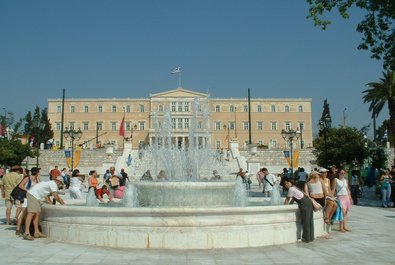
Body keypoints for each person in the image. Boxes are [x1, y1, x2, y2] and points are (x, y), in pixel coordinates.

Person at [24, 176, 65, 240]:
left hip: (36, 196)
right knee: (31, 213)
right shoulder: (53, 184)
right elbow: (56, 196)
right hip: (33, 195)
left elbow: (47, 194)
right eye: (61, 183)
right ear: (58, 181)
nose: (60, 185)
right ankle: (27, 233)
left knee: (37, 214)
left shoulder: (50, 183)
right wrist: (63, 204)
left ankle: (36, 232)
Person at [284, 178, 314, 243]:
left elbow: (287, 199)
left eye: (287, 183)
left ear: (291, 182)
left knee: (305, 221)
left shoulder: (291, 189)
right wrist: (290, 204)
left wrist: (284, 207)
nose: (286, 184)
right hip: (308, 202)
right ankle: (310, 237)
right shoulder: (295, 188)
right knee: (309, 220)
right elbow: (293, 199)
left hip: (304, 204)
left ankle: (306, 238)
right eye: (285, 183)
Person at [15, 167, 40, 236]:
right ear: (36, 172)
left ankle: (30, 229)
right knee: (23, 214)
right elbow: (20, 185)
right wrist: (28, 190)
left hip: (34, 199)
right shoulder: (28, 178)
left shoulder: (37, 179)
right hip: (26, 198)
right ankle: (18, 229)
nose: (39, 173)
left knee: (31, 213)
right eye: (39, 172)